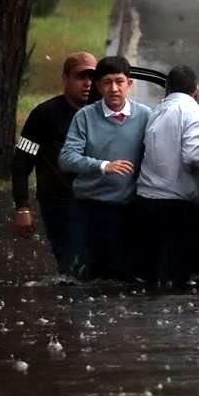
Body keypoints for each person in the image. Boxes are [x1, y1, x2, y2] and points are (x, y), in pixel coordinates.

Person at [134, 65, 199, 288]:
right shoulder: (195, 112)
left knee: (153, 274)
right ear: (196, 90)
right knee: (179, 277)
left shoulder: (156, 111)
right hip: (176, 203)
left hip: (146, 198)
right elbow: (194, 156)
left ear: (167, 89)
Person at [59, 55, 151, 281]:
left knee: (125, 277)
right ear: (98, 86)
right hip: (88, 208)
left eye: (119, 81)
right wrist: (103, 166)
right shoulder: (85, 117)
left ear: (129, 84)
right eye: (107, 82)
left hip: (127, 209)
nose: (114, 88)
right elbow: (67, 158)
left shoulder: (146, 116)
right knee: (84, 276)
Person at [10, 51, 97, 275]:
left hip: (95, 201)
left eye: (92, 77)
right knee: (72, 267)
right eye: (80, 77)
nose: (88, 83)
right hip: (59, 203)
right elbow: (22, 160)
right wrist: (22, 206)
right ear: (65, 79)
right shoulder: (43, 116)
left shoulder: (102, 113)